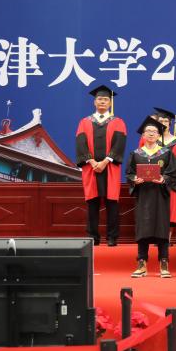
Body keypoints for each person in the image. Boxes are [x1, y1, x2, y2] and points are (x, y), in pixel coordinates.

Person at [126, 117, 176, 278]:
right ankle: (141, 263)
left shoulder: (166, 153)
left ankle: (164, 263)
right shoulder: (136, 154)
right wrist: (134, 180)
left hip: (160, 196)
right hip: (144, 196)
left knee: (162, 228)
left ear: (159, 135)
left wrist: (164, 179)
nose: (151, 134)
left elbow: (175, 173)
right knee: (143, 228)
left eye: (154, 131)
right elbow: (129, 173)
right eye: (148, 131)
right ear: (143, 135)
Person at [75, 85, 126, 247]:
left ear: (110, 103)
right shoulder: (84, 122)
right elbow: (81, 143)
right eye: (99, 99)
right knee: (92, 202)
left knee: (112, 202)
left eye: (105, 99)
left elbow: (119, 144)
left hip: (110, 167)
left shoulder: (118, 122)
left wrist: (105, 162)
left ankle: (112, 237)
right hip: (91, 168)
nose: (102, 101)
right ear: (94, 102)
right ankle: (93, 236)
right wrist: (92, 161)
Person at [144, 107, 176, 236]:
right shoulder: (149, 140)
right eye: (160, 121)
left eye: (166, 121)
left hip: (169, 183)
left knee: (170, 211)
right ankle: (154, 236)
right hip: (152, 181)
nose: (163, 123)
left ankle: (166, 239)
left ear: (170, 124)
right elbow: (142, 159)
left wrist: (164, 177)